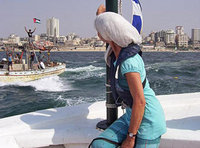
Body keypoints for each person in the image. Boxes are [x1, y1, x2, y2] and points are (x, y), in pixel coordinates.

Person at [91, 5, 166, 148]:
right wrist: (101, 13)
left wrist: (130, 138)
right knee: (99, 145)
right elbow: (104, 20)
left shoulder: (129, 62)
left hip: (148, 120)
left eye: (99, 30)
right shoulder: (115, 53)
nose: (97, 33)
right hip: (131, 116)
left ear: (108, 33)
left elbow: (140, 102)